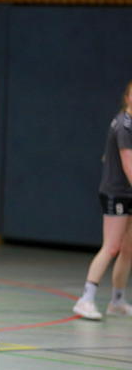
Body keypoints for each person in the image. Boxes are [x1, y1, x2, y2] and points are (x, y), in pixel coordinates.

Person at [72, 82, 132, 320]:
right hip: (116, 192)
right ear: (127, 97)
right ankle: (85, 300)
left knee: (128, 249)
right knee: (112, 246)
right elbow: (128, 165)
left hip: (128, 193)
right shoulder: (124, 125)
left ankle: (117, 301)